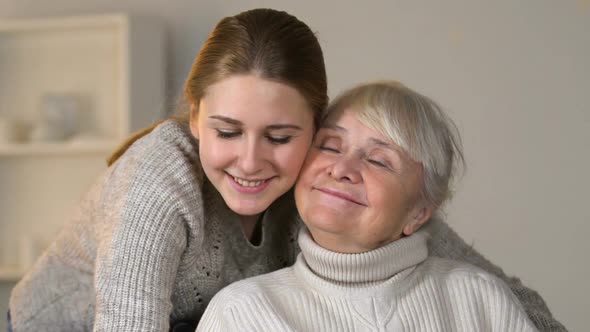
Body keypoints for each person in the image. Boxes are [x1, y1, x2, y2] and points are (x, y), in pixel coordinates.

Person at [7, 8, 564, 332]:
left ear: (316, 126)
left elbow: (426, 238)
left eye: (280, 136)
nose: (251, 162)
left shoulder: (327, 176)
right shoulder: (160, 178)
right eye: (227, 132)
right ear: (196, 116)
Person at [196, 81, 538, 331]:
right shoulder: (240, 313)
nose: (342, 169)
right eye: (330, 146)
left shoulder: (479, 300)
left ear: (419, 213)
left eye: (378, 160)